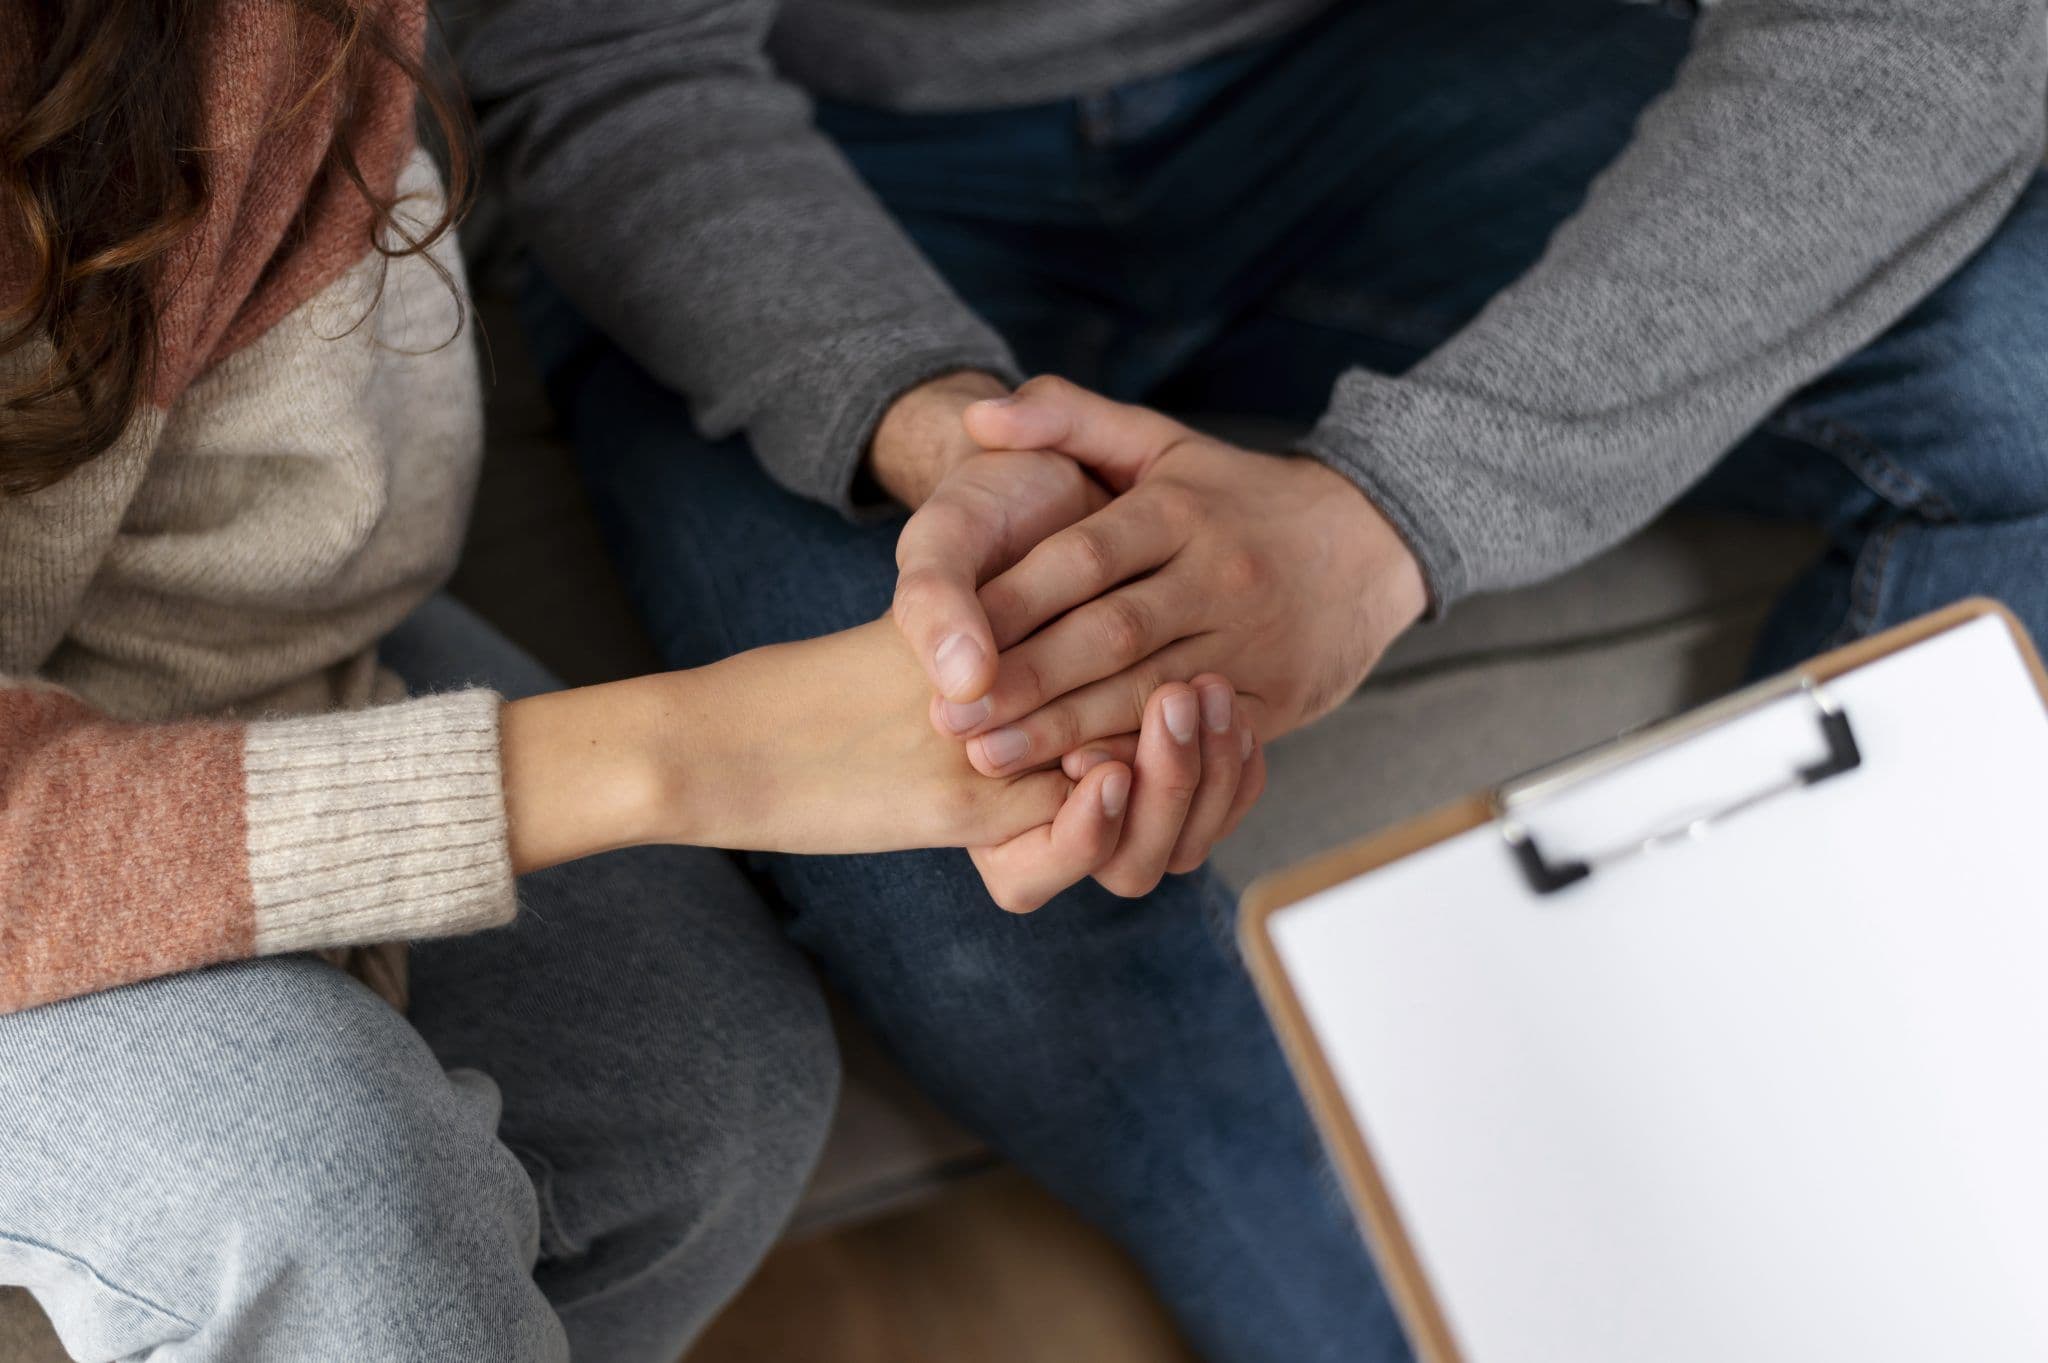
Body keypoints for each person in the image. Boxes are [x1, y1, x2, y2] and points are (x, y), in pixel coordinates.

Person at [463, 0, 2048, 1357]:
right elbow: (600, 52)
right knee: (993, 787)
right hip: (804, 149)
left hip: (1364, 74)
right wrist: (943, 433)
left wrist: (1388, 524)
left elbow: (1927, 31)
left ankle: (1816, 1175)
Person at [0, 4, 1259, 1360]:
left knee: (697, 1088)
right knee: (321, 1181)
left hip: (171, 633)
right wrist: (693, 752)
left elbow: (604, 50)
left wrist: (945, 432)